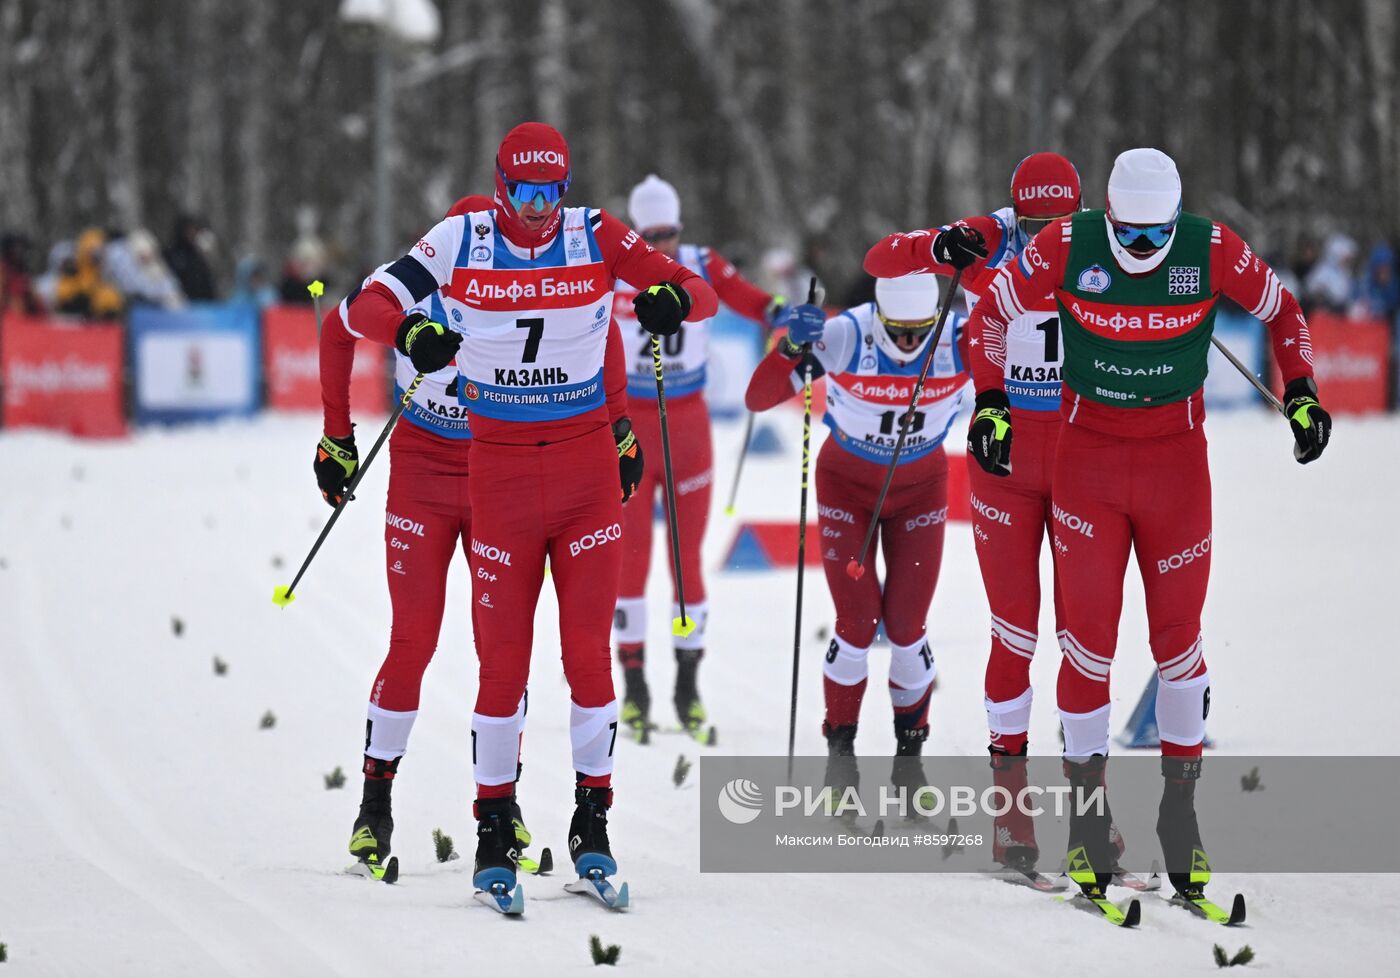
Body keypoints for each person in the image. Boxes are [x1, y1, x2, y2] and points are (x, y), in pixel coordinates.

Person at [342, 123, 718, 898]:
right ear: (500, 184)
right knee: (502, 663)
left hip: (584, 481)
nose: (539, 208)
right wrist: (411, 326)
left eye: (552, 191)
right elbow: (368, 302)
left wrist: (671, 298)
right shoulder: (465, 236)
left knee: (587, 655)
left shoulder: (592, 232)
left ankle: (593, 826)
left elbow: (698, 290)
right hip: (500, 478)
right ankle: (491, 825)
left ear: (567, 188)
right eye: (524, 191)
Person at [963, 147, 1331, 905]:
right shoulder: (1067, 243)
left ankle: (1178, 817)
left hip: (1175, 465)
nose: (1135, 251)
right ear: (1106, 214)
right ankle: (1090, 824)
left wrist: (1301, 393)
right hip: (1088, 459)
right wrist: (992, 403)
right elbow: (992, 317)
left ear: (1173, 219)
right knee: (1087, 644)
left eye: (1150, 237)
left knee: (1178, 642)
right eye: (1124, 234)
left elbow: (1283, 309)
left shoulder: (1211, 247)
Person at [319, 194, 589, 878]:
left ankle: (502, 807)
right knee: (413, 638)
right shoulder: (406, 284)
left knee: (502, 649)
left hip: (501, 475)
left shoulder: (522, 291)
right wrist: (337, 439)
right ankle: (374, 805)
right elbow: (336, 327)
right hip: (420, 473)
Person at [865, 152, 1082, 874]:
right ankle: (1012, 815)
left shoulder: (1104, 244)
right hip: (1006, 456)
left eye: (1061, 221)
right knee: (1015, 632)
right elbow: (879, 256)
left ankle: (1090, 811)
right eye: (1034, 223)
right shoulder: (989, 236)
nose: (1048, 235)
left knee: (1088, 640)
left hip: (1086, 457)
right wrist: (937, 247)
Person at [744, 273, 968, 800]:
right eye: (899, 332)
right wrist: (790, 348)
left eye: (920, 332)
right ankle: (840, 757)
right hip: (847, 487)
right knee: (858, 622)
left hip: (920, 489)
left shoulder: (958, 338)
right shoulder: (847, 335)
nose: (910, 344)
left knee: (908, 627)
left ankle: (909, 766)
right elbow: (759, 397)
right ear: (879, 318)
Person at [611, 174, 788, 742]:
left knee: (686, 564)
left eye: (671, 232)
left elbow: (757, 304)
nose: (662, 244)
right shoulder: (614, 265)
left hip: (687, 426)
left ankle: (687, 686)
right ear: (638, 229)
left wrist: (783, 312)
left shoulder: (701, 263)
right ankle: (634, 686)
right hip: (630, 429)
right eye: (652, 233)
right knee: (630, 564)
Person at [54, 228, 124, 319]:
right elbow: (63, 294)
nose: (95, 255)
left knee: (109, 297)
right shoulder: (73, 269)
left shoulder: (105, 270)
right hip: (76, 307)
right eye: (92, 250)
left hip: (96, 307)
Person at [164, 214, 218, 301]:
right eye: (189, 230)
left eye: (195, 230)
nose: (192, 234)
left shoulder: (198, 256)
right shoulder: (170, 254)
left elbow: (207, 284)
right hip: (179, 305)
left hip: (200, 306)